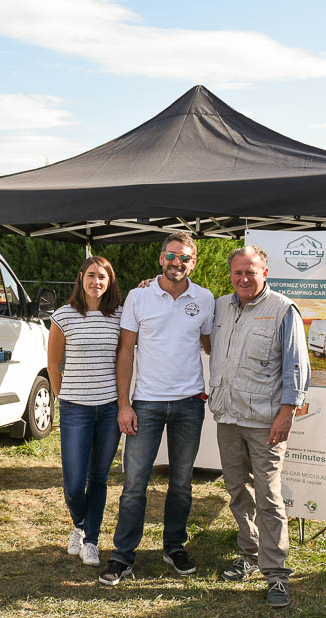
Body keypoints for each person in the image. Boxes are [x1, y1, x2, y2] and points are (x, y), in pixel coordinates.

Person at [99, 232, 215, 586]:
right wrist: (124, 404)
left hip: (189, 404)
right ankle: (122, 556)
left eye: (184, 257)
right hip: (146, 403)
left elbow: (209, 343)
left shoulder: (205, 298)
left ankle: (174, 547)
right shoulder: (139, 296)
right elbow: (125, 352)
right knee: (135, 483)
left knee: (181, 483)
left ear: (193, 263)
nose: (177, 262)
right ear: (161, 259)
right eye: (171, 256)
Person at [208, 246, 309, 608]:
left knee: (268, 496)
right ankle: (249, 554)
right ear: (230, 275)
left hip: (265, 421)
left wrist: (287, 413)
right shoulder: (221, 306)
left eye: (251, 272)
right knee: (237, 490)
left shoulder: (283, 309)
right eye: (238, 272)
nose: (244, 279)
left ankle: (276, 572)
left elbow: (296, 366)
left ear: (265, 273)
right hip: (228, 417)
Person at [47, 256, 123, 567]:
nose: (96, 282)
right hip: (75, 409)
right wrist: (62, 397)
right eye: (91, 275)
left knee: (99, 477)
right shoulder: (63, 316)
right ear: (81, 278)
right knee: (74, 483)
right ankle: (79, 525)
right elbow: (53, 364)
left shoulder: (119, 316)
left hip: (109, 409)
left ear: (110, 281)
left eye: (102, 277)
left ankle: (90, 540)